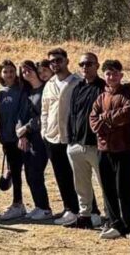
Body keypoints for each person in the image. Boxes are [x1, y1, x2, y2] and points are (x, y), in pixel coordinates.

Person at [90, 60, 130, 240]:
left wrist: (106, 119)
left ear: (121, 75)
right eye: (108, 74)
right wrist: (109, 121)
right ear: (104, 76)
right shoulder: (101, 97)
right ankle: (115, 223)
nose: (111, 77)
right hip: (104, 149)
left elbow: (126, 114)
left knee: (124, 189)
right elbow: (94, 121)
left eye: (115, 73)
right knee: (108, 189)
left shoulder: (128, 94)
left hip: (123, 148)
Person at [40, 47, 82, 226]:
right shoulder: (49, 84)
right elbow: (44, 109)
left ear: (66, 60)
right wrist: (44, 130)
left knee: (79, 176)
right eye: (52, 61)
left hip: (71, 137)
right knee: (61, 175)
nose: (55, 64)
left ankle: (87, 210)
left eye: (58, 60)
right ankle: (69, 209)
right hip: (52, 137)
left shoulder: (77, 82)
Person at [65, 52, 104, 229]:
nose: (85, 68)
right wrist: (70, 140)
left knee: (106, 184)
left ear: (97, 65)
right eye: (81, 64)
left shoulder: (104, 87)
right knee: (81, 185)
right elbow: (72, 114)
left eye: (89, 64)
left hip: (96, 145)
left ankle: (112, 217)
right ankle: (84, 216)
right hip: (76, 144)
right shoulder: (77, 87)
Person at [16, 60, 52, 220]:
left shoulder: (46, 89)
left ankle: (45, 208)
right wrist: (21, 134)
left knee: (36, 172)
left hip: (41, 138)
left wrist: (27, 128)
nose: (26, 73)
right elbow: (20, 114)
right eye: (23, 71)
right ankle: (38, 206)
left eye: (28, 69)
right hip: (26, 138)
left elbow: (44, 115)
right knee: (29, 173)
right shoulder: (26, 92)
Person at [0, 60, 29, 220]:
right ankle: (17, 203)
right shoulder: (1, 93)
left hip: (19, 138)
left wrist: (21, 134)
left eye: (11, 71)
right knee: (13, 170)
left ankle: (18, 203)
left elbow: (21, 115)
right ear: (1, 74)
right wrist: (2, 139)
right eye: (5, 72)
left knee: (18, 172)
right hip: (7, 139)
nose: (9, 74)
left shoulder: (21, 91)